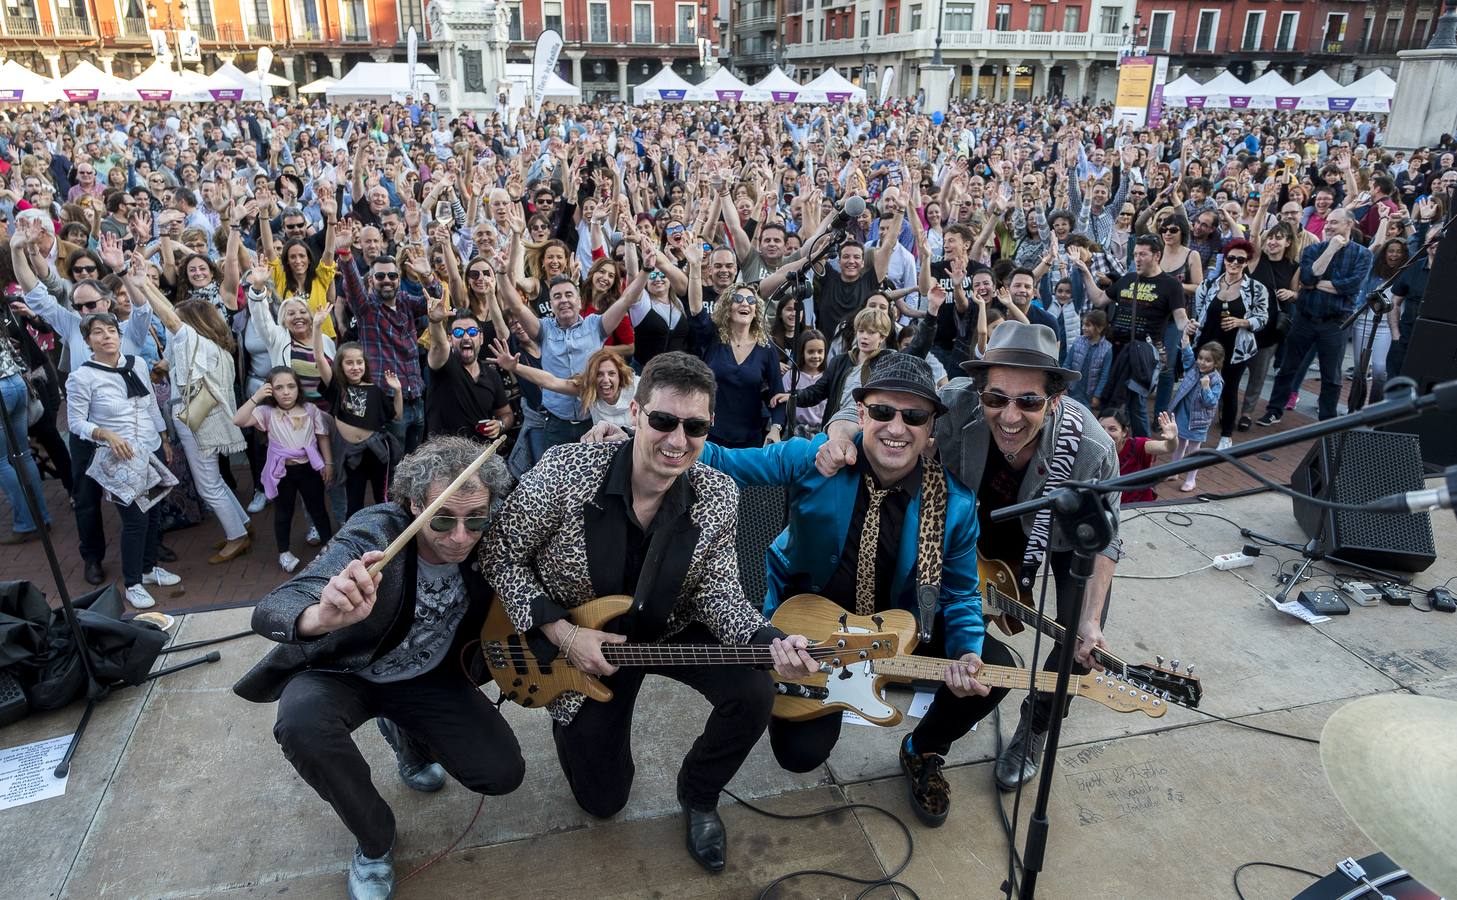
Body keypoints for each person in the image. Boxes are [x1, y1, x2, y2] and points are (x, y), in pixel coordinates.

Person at [479, 352, 819, 873]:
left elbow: (719, 591)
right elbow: (499, 553)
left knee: (754, 691)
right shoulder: (566, 473)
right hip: (583, 647)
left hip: (669, 630)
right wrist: (564, 634)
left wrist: (770, 638)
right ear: (634, 413)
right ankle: (572, 721)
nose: (678, 440)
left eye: (695, 426)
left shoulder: (717, 493)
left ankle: (700, 794)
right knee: (603, 802)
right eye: (663, 420)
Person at [818, 322, 1119, 793]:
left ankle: (1035, 726)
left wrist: (1092, 617)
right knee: (952, 624)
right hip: (970, 523)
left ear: (1055, 400)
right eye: (996, 399)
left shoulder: (1091, 450)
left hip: (1057, 536)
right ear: (980, 392)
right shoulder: (957, 400)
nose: (1010, 415)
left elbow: (1104, 540)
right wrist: (838, 435)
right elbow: (867, 402)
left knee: (1078, 639)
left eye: (1029, 402)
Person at [701, 354, 997, 827]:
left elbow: (960, 595)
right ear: (860, 414)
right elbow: (726, 462)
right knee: (799, 754)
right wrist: (646, 439)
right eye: (882, 411)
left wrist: (966, 652)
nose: (896, 427)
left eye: (914, 416)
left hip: (899, 627)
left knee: (995, 667)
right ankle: (840, 693)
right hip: (814, 628)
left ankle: (923, 749)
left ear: (930, 430)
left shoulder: (954, 505)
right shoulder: (816, 460)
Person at [233, 436, 525, 900]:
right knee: (301, 723)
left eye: (475, 520)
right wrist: (320, 615)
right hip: (346, 672)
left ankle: (407, 738)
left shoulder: (491, 538)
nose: (460, 537)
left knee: (501, 773)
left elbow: (554, 496)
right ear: (413, 504)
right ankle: (374, 842)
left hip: (427, 677)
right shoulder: (377, 532)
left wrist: (596, 443)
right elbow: (274, 608)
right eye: (443, 518)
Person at [65, 312, 179, 609]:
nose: (107, 336)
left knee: (154, 513)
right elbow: (75, 423)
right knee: (135, 520)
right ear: (88, 340)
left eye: (112, 330)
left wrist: (164, 438)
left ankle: (148, 568)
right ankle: (133, 583)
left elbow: (151, 403)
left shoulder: (137, 363)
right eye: (98, 332)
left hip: (150, 447)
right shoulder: (82, 376)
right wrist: (105, 434)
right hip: (120, 456)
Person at [1258, 208, 1373, 424]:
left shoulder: (1363, 254)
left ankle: (1327, 420)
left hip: (1336, 323)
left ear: (1349, 225)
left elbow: (1352, 286)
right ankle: (1274, 409)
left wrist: (1319, 284)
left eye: (1335, 222)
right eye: (1328, 222)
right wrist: (1329, 251)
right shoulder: (1314, 249)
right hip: (1305, 318)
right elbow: (1308, 279)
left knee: (1332, 376)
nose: (1328, 226)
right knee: (1288, 368)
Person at [1073, 236, 1192, 437]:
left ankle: (1143, 451)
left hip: (1143, 354)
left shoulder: (1171, 285)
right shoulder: (1127, 279)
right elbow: (1100, 299)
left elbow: (1180, 318)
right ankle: (1108, 443)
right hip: (1116, 350)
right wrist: (1085, 272)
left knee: (1136, 404)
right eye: (1135, 254)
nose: (1137, 258)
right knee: (1110, 400)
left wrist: (1189, 326)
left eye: (1143, 254)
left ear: (1157, 255)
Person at [234, 367, 334, 573]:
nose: (286, 392)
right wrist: (257, 396)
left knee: (318, 509)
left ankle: (329, 545)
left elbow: (322, 436)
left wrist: (328, 464)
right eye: (279, 387)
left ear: (298, 388)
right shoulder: (267, 413)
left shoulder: (310, 410)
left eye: (291, 386)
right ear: (270, 391)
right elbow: (238, 420)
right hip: (281, 472)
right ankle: (284, 553)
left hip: (309, 469)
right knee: (283, 512)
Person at [1190, 239, 1267, 449]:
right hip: (1207, 345)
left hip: (1236, 348)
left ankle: (1226, 435)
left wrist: (1242, 322)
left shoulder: (1255, 289)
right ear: (1224, 260)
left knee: (1229, 389)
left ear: (1246, 262)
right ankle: (1194, 428)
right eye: (1231, 258)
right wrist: (1192, 326)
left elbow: (1262, 318)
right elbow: (1199, 313)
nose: (1234, 263)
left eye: (1240, 260)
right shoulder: (1208, 284)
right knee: (1198, 387)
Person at [424, 301, 513, 443]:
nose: (466, 337)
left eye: (472, 332)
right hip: (444, 457)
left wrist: (500, 425)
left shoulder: (491, 375)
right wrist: (435, 322)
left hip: (482, 457)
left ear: (481, 337)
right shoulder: (443, 365)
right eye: (458, 333)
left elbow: (507, 414)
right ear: (450, 339)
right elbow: (438, 346)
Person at [1167, 341, 1225, 494]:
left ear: (1216, 362)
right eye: (1200, 358)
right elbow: (1187, 356)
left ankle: (1190, 479)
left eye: (1208, 360)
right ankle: (1174, 470)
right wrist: (1185, 341)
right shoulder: (1194, 368)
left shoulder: (1216, 381)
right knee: (1179, 443)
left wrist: (1206, 387)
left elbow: (1211, 403)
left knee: (1194, 450)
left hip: (1199, 420)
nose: (1202, 362)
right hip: (1183, 413)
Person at [1101, 409, 1181, 504]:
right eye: (1101, 428)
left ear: (1124, 432)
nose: (1105, 434)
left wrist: (1173, 439)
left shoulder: (1137, 446)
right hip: (1108, 507)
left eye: (1112, 429)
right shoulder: (1091, 449)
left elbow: (1168, 447)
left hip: (1139, 506)